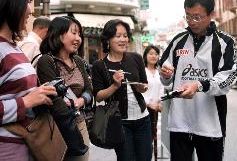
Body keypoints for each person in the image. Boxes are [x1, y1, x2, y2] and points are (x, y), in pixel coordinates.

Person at [159, 0, 237, 161]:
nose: (191, 22)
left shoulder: (225, 43)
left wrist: (199, 85)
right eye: (188, 16)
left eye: (197, 17)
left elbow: (228, 78)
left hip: (210, 125)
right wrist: (166, 75)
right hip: (179, 122)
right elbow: (166, 75)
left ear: (211, 15)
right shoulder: (177, 41)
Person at [0, 0, 57, 160]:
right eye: (26, 2)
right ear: (10, 4)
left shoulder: (12, 46)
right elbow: (23, 100)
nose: (30, 11)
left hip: (27, 145)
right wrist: (26, 102)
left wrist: (39, 93)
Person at [91, 19, 152, 161]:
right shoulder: (100, 65)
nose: (123, 40)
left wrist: (141, 87)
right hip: (120, 122)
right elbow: (98, 96)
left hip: (143, 119)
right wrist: (114, 86)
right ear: (108, 39)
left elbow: (145, 85)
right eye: (118, 36)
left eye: (125, 36)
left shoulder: (136, 58)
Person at [36, 16, 93, 161]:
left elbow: (89, 90)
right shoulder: (46, 61)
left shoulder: (79, 61)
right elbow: (53, 99)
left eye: (79, 34)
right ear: (59, 34)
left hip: (80, 124)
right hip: (56, 128)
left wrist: (80, 101)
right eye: (73, 33)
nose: (78, 38)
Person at [143, 45, 164, 161]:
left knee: (153, 137)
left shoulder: (159, 72)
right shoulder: (142, 71)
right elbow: (138, 92)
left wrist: (160, 103)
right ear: (145, 56)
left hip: (155, 110)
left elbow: (161, 89)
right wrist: (149, 104)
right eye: (150, 53)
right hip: (144, 109)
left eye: (156, 54)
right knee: (146, 140)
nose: (153, 56)